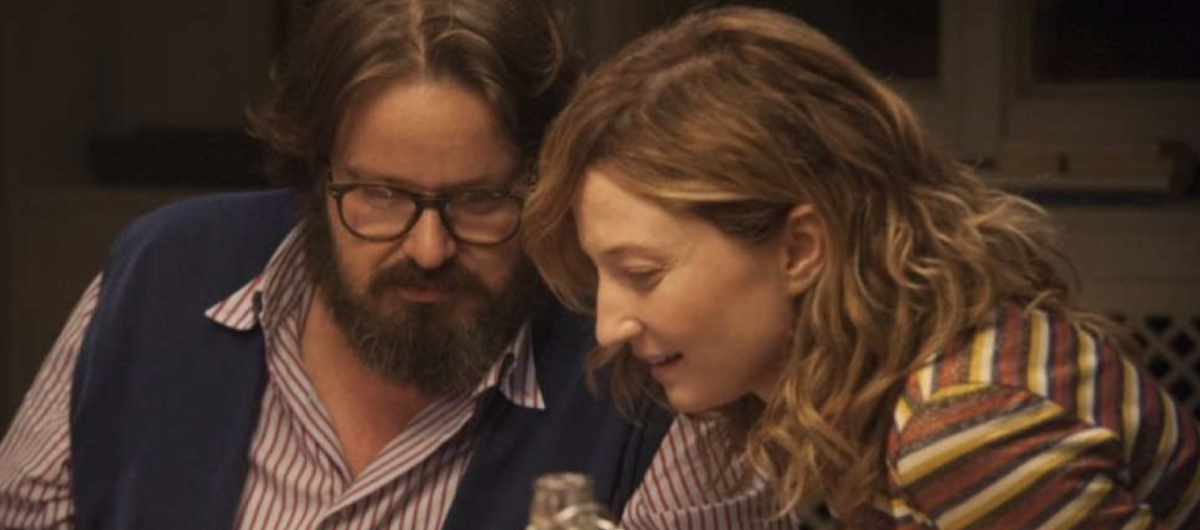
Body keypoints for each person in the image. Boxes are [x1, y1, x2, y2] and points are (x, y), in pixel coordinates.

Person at [0, 1, 789, 529]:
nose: (429, 249)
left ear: (546, 186)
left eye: (481, 200)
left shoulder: (649, 367)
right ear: (317, 174)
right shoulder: (163, 274)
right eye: (380, 195)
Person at [523, 6, 1200, 529]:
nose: (608, 327)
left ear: (800, 249)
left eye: (642, 273)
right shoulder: (893, 388)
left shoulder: (965, 428)